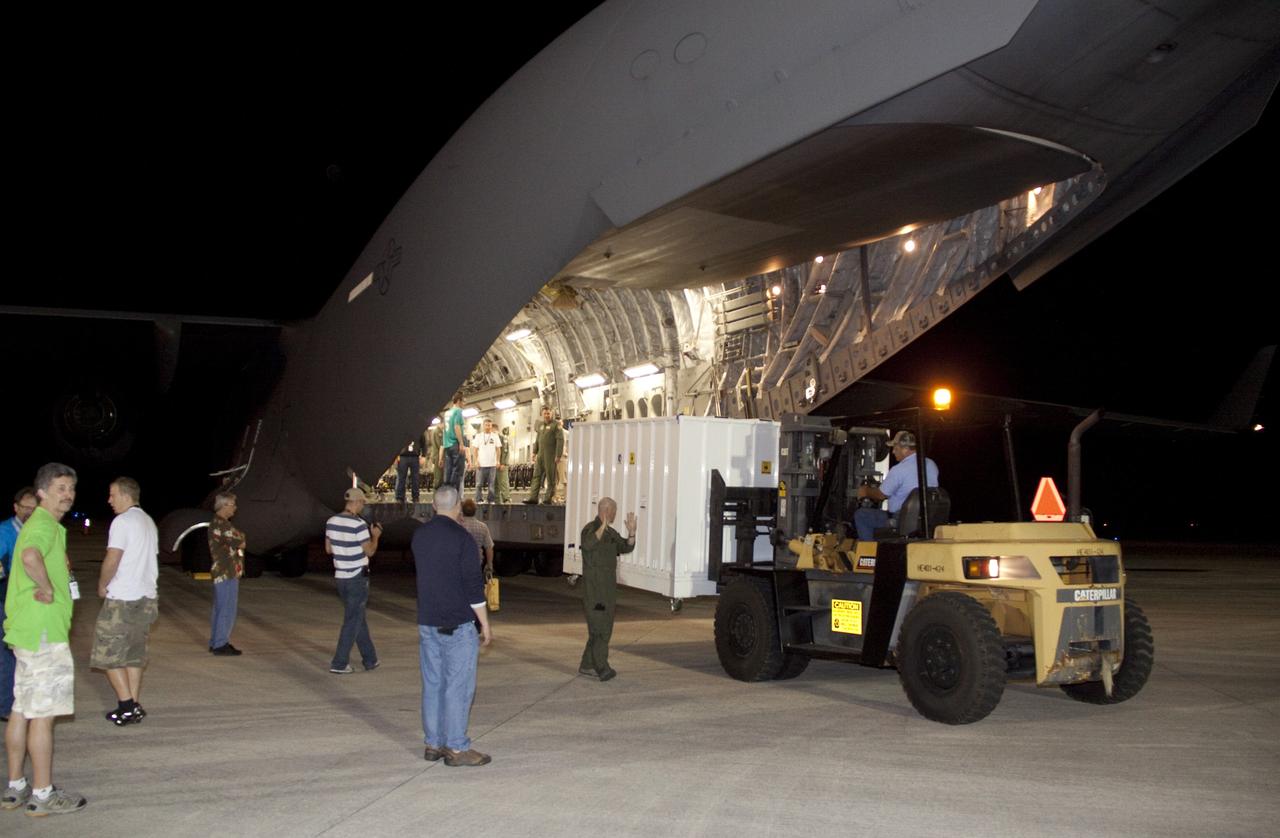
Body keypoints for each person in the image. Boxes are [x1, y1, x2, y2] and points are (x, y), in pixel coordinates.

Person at [2, 463, 87, 816]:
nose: (67, 494)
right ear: (42, 492)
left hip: (25, 630)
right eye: (60, 487)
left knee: (21, 709)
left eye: (71, 488)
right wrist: (46, 587)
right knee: (43, 714)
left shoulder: (41, 524)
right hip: (43, 634)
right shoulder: (44, 525)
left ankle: (15, 787)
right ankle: (42, 793)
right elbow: (29, 556)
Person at [411, 485, 492, 767]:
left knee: (433, 683)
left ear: (433, 506)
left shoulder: (420, 536)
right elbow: (472, 586)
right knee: (458, 687)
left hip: (428, 621)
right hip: (457, 624)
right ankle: (457, 747)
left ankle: (433, 743)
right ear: (457, 506)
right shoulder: (463, 540)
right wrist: (485, 624)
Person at [89, 478, 159, 726]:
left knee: (107, 653)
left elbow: (113, 557)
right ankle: (134, 706)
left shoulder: (123, 521)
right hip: (147, 598)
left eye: (112, 495)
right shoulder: (148, 521)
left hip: (123, 599)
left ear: (126, 496)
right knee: (134, 654)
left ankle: (126, 705)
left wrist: (102, 584)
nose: (109, 500)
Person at [577, 497, 636, 682]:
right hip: (595, 592)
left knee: (601, 628)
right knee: (600, 630)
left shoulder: (610, 533)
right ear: (606, 511)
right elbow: (587, 545)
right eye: (614, 511)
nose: (615, 514)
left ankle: (587, 665)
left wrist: (632, 533)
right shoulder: (590, 529)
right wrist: (601, 527)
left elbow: (625, 547)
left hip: (608, 591)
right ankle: (601, 667)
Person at [324, 488, 382, 674]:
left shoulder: (331, 522)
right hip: (357, 577)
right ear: (356, 502)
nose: (363, 507)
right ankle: (339, 663)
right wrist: (376, 536)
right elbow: (370, 551)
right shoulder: (359, 525)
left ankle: (370, 659)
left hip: (340, 576)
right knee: (352, 621)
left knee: (357, 618)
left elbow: (328, 549)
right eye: (363, 503)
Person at [853, 430, 940, 541]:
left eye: (896, 448)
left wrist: (865, 491)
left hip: (901, 519)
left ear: (905, 449)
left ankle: (868, 552)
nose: (893, 452)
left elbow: (881, 495)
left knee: (862, 515)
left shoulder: (899, 469)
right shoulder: (931, 464)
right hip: (925, 519)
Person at [0, 487, 37, 722]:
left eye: (34, 509)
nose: (29, 512)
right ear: (16, 507)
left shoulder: (37, 530)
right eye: (25, 508)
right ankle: (6, 705)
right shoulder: (5, 530)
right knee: (7, 653)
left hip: (30, 600)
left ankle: (23, 700)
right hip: (6, 599)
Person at [208, 492, 245, 656]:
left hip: (223, 571)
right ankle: (220, 643)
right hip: (227, 572)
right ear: (224, 505)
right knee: (226, 609)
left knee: (220, 608)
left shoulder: (218, 523)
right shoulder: (222, 525)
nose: (235, 508)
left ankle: (216, 641)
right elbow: (241, 540)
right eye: (232, 505)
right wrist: (241, 538)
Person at [524, 406, 564, 505]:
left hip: (551, 456)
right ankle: (533, 498)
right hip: (540, 455)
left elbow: (560, 440)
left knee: (550, 478)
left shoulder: (556, 425)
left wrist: (558, 455)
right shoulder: (540, 426)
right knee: (536, 476)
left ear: (552, 413)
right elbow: (537, 440)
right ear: (542, 414)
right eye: (545, 413)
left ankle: (548, 499)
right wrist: (534, 452)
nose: (546, 415)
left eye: (548, 413)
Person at [470, 418, 502, 504]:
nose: (488, 427)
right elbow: (475, 449)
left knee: (491, 484)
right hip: (481, 464)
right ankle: (478, 499)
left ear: (491, 426)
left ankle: (490, 499)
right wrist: (476, 461)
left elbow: (498, 449)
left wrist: (498, 461)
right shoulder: (478, 436)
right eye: (486, 425)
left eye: (490, 425)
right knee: (479, 484)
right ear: (483, 426)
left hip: (492, 464)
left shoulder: (495, 436)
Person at [441, 395, 468, 494]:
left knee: (448, 469)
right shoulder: (458, 411)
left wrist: (445, 443)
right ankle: (453, 493)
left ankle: (447, 491)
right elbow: (457, 427)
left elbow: (444, 429)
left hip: (447, 445)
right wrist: (461, 443)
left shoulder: (447, 413)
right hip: (455, 443)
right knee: (458, 470)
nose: (464, 404)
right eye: (463, 401)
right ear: (458, 401)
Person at [458, 499, 494, 572]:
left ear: (462, 510)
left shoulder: (457, 526)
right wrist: (489, 565)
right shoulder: (483, 527)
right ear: (475, 511)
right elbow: (489, 547)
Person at [395, 434, 426, 503]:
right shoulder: (402, 429)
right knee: (401, 477)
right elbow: (396, 441)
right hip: (403, 456)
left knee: (415, 478)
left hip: (415, 456)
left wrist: (424, 455)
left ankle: (415, 497)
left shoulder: (419, 428)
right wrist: (396, 455)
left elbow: (423, 442)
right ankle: (400, 497)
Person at [494, 427, 512, 504]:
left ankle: (506, 499)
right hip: (493, 466)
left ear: (497, 430)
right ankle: (497, 501)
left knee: (503, 483)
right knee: (495, 485)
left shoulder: (502, 439)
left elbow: (505, 451)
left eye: (494, 431)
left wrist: (503, 463)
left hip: (502, 465)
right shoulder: (491, 440)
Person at [426, 421, 445, 492]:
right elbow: (440, 445)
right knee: (438, 477)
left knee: (440, 477)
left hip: (439, 456)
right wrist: (441, 458)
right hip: (438, 456)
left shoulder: (439, 431)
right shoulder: (438, 432)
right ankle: (436, 496)